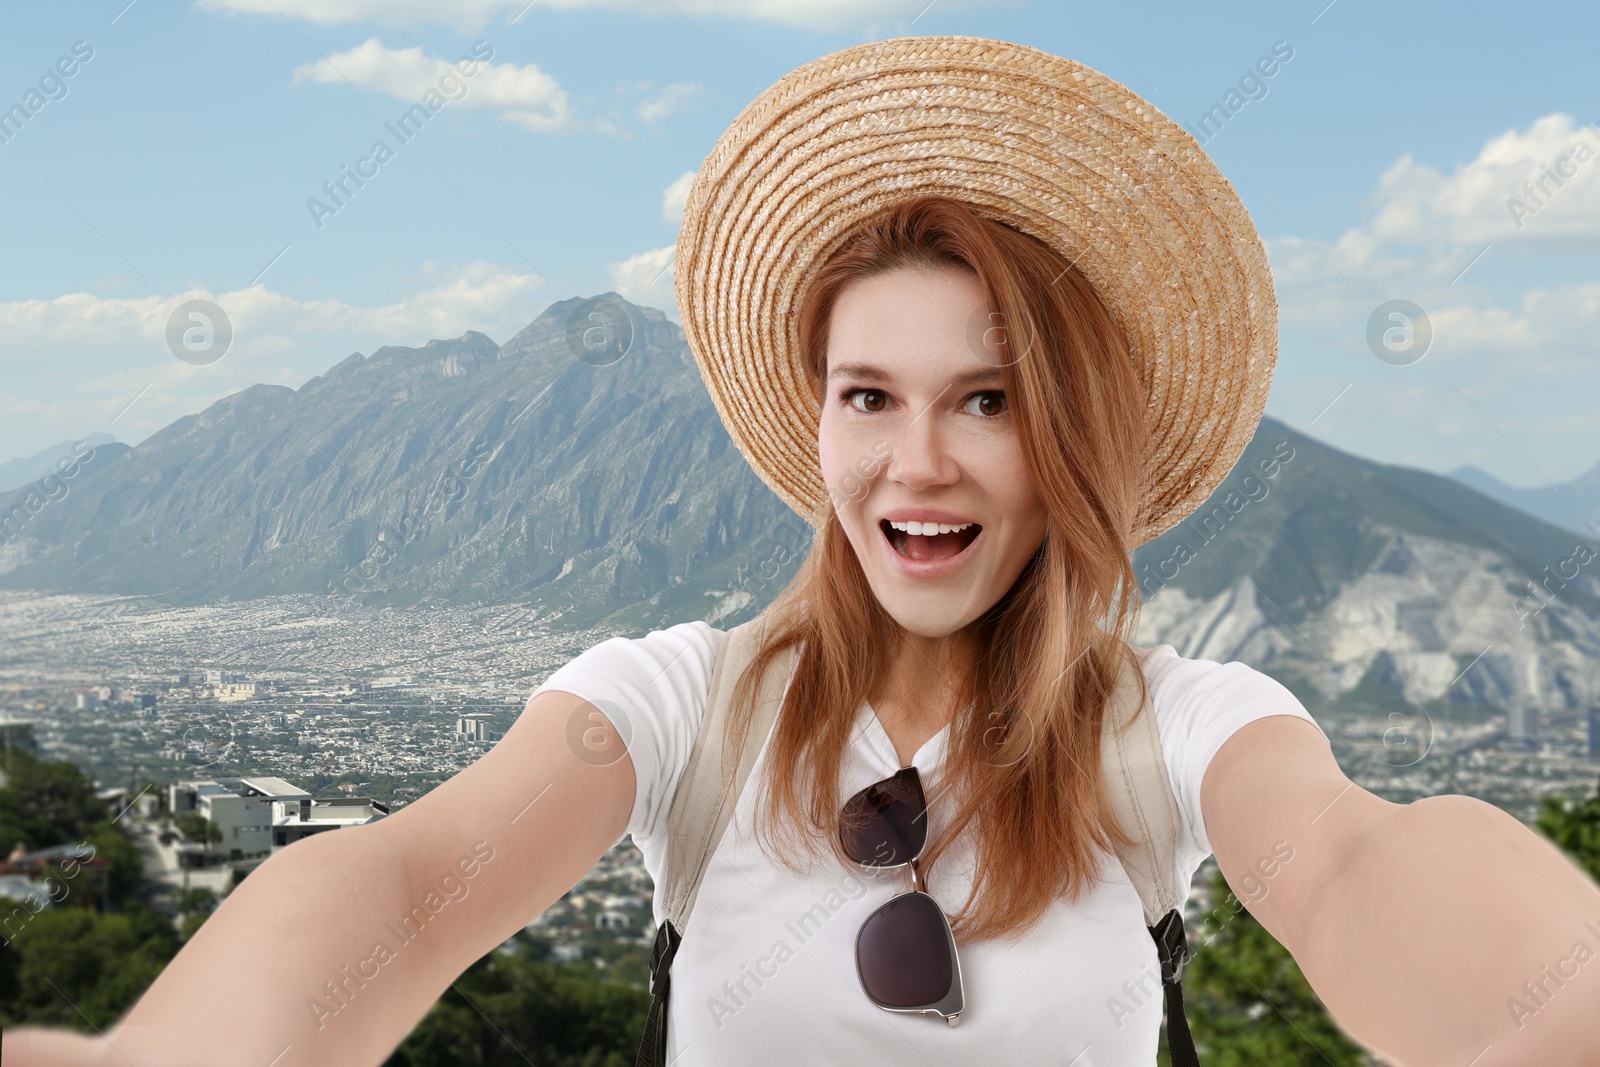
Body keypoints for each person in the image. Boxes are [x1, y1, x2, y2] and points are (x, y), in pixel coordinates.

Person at [8, 35, 1600, 1067]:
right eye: (870, 395)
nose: (920, 460)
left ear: (1071, 433)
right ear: (817, 421)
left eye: (990, 397)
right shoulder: (675, 702)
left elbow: (1352, 861)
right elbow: (414, 880)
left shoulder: (1175, 727)